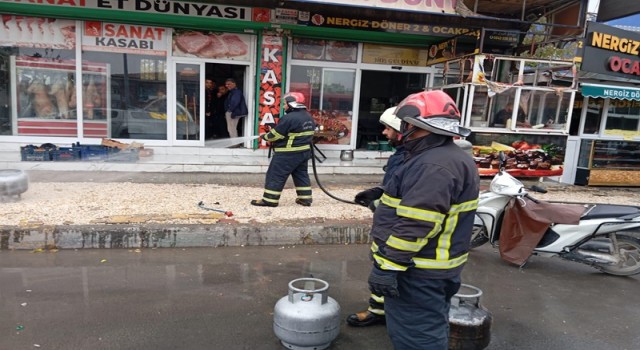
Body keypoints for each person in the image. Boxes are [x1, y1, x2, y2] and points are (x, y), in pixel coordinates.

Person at [366, 90, 480, 349]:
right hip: (431, 270)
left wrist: (387, 267)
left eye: (404, 123)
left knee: (417, 338)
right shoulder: (442, 157)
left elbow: (417, 223)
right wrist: (381, 197)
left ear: (413, 122)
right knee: (429, 327)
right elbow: (417, 203)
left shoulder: (432, 165)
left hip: (417, 272)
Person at [347, 106, 406, 327]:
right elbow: (396, 188)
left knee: (390, 269)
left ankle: (392, 313)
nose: (384, 133)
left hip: (399, 230)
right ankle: (379, 310)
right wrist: (379, 191)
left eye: (388, 129)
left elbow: (408, 201)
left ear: (402, 131)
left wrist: (379, 203)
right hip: (389, 227)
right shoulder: (402, 156)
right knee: (382, 265)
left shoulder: (410, 160)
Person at [250, 92, 316, 207]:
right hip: (303, 152)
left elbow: (276, 135)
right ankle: (305, 199)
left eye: (285, 104)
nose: (283, 106)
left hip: (288, 154)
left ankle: (270, 200)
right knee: (301, 174)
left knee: (275, 175)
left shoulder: (288, 118)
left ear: (292, 104)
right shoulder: (307, 116)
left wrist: (265, 136)